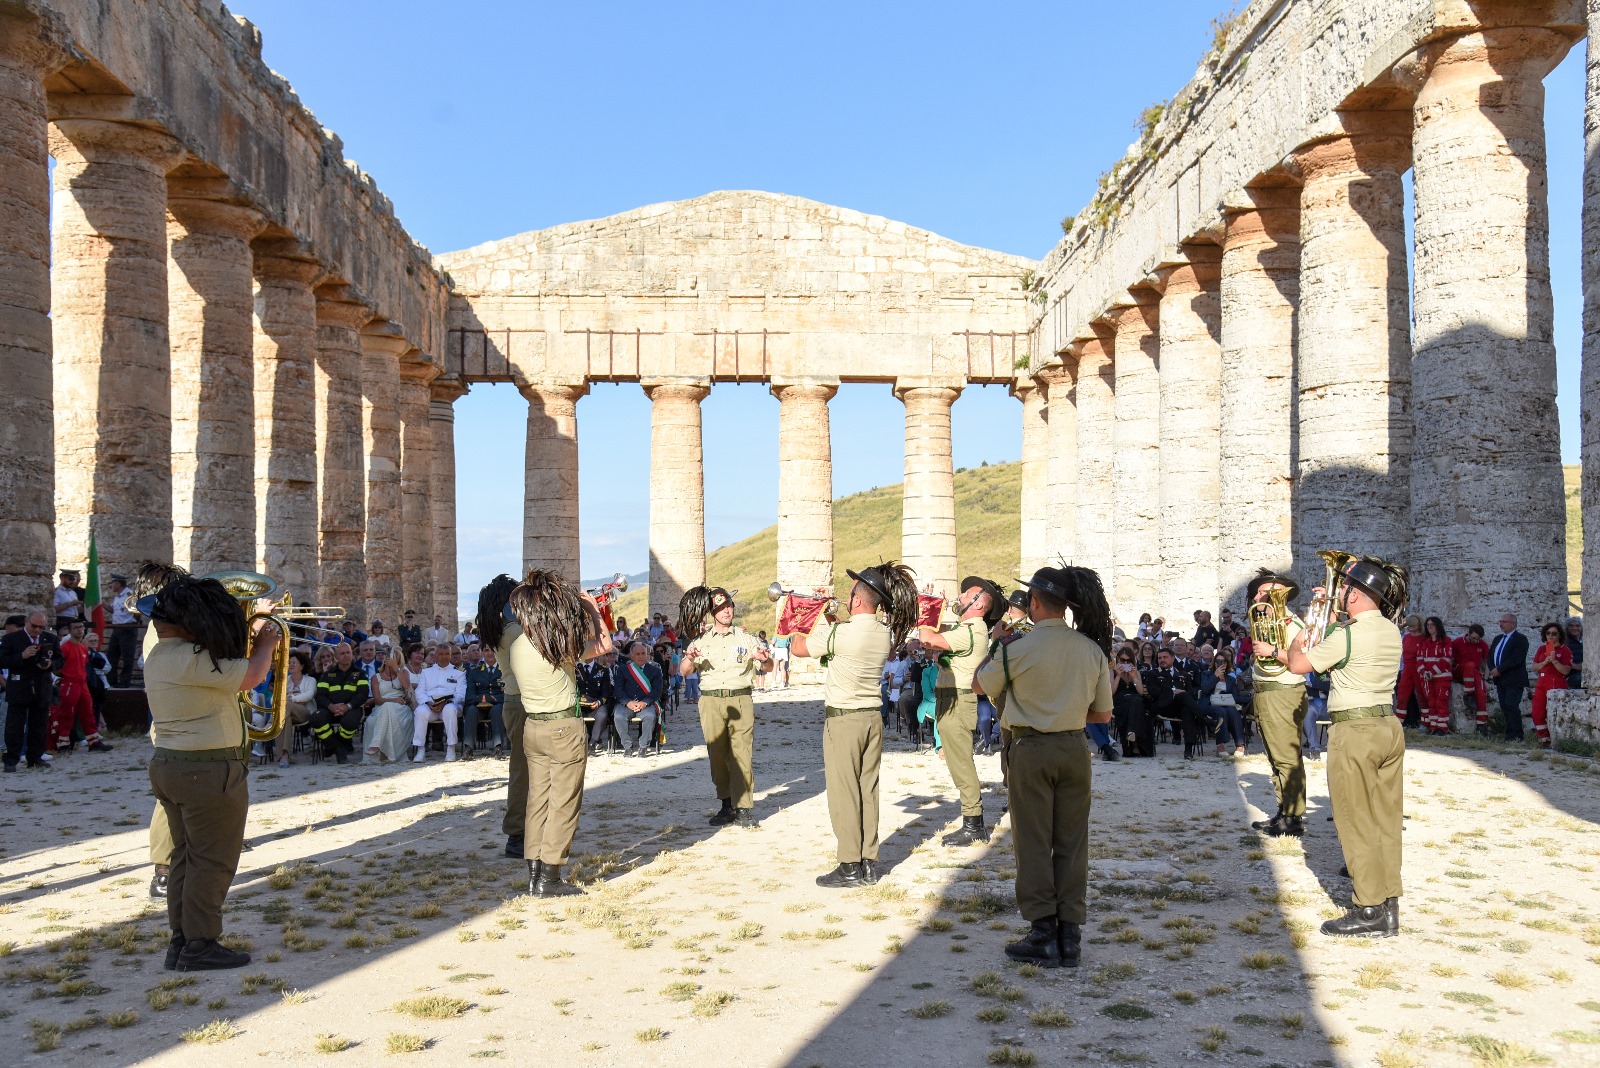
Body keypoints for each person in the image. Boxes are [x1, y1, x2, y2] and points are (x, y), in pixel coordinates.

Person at [974, 565, 1113, 969]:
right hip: (1073, 748)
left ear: (1034, 603)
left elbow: (979, 687)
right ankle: (1070, 934)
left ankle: (1042, 933)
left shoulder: (1016, 648)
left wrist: (995, 644)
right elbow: (1102, 716)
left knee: (1033, 840)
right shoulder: (1091, 650)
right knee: (1072, 842)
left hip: (1031, 748)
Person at [1264, 555, 1408, 938]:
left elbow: (1297, 664)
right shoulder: (1391, 630)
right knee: (1385, 819)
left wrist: (1312, 626)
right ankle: (1388, 903)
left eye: (1344, 589)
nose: (1339, 594)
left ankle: (1368, 908)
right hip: (1387, 725)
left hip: (1355, 728)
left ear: (1358, 595)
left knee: (1354, 818)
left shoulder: (1346, 634)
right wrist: (1330, 621)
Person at [144, 574, 280, 970]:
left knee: (185, 857)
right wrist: (266, 641)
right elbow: (253, 676)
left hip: (172, 764)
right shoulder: (190, 657)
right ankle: (201, 944)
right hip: (206, 768)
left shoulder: (161, 654)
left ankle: (182, 940)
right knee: (212, 860)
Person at [790, 562, 919, 888]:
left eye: (850, 595)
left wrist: (802, 615)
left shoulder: (840, 633)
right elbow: (847, 637)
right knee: (867, 790)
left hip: (844, 720)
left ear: (858, 600)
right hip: (872, 718)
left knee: (843, 792)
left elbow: (798, 647)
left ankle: (849, 864)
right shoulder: (881, 632)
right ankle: (869, 862)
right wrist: (830, 617)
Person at [506, 569, 612, 897]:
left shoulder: (518, 644)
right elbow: (605, 644)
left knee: (537, 801)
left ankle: (534, 873)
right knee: (564, 803)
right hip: (564, 726)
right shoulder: (556, 644)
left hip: (533, 726)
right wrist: (592, 608)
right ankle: (550, 877)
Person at [917, 576, 1006, 846]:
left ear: (978, 604)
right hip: (951, 699)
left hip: (957, 700)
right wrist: (929, 606)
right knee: (957, 761)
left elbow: (927, 639)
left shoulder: (971, 630)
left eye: (967, 594)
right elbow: (937, 635)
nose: (961, 595)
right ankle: (972, 819)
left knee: (960, 763)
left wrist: (927, 608)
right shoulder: (968, 628)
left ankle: (974, 823)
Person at [678, 587, 772, 828]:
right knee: (717, 754)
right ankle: (726, 803)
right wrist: (689, 658)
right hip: (710, 701)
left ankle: (743, 807)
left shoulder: (746, 639)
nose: (727, 611)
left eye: (729, 606)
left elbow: (768, 667)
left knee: (742, 753)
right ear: (712, 612)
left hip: (740, 698)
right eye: (721, 608)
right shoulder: (701, 641)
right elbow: (683, 672)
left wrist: (765, 659)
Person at [1246, 570, 1310, 838]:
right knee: (1275, 755)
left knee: (1285, 756)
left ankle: (1293, 817)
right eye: (1260, 592)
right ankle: (1284, 811)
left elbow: (1304, 659)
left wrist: (1271, 652)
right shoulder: (1267, 621)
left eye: (1269, 592)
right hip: (1267, 691)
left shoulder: (1292, 624)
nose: (1261, 597)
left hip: (1283, 692)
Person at [476, 576, 529, 858]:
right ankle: (517, 834)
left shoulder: (502, 629)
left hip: (515, 701)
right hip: (523, 702)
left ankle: (523, 830)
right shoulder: (513, 631)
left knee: (525, 769)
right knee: (523, 771)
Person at [1, 611, 58, 770]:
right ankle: (11, 759)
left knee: (39, 726)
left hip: (42, 688)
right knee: (15, 726)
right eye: (34, 626)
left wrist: (50, 665)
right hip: (20, 687)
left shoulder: (50, 638)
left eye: (41, 627)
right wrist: (21, 656)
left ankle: (35, 758)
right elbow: (2, 660)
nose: (37, 630)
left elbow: (60, 660)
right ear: (26, 622)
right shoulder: (11, 638)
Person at [51, 619, 112, 753]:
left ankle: (93, 741)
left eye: (81, 627)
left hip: (82, 684)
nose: (79, 630)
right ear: (70, 630)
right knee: (67, 713)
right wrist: (64, 678)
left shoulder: (83, 648)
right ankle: (63, 744)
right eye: (76, 627)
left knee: (88, 713)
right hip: (70, 684)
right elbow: (56, 667)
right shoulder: (65, 648)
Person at [411, 643, 465, 762]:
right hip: (431, 706)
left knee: (449, 709)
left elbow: (460, 694)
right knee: (420, 711)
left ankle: (451, 748)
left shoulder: (459, 673)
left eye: (447, 654)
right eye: (441, 654)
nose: (444, 657)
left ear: (450, 655)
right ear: (435, 656)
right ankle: (420, 749)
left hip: (451, 705)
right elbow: (420, 691)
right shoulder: (426, 672)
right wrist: (428, 702)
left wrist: (445, 703)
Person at [612, 640, 665, 757]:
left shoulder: (655, 671)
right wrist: (627, 702)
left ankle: (643, 746)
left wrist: (645, 702)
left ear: (647, 654)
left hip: (646, 704)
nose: (641, 656)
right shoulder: (623, 669)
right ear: (631, 655)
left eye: (643, 653)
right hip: (626, 704)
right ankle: (627, 746)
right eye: (637, 654)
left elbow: (657, 691)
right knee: (618, 716)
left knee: (650, 716)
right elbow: (618, 690)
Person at [363, 649, 415, 763]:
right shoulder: (376, 677)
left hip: (401, 707)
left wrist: (396, 668)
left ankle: (376, 745)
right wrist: (392, 700)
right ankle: (382, 750)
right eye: (390, 656)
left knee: (389, 707)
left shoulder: (403, 673)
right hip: (382, 706)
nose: (391, 659)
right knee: (385, 708)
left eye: (394, 657)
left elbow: (407, 686)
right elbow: (377, 700)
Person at [1530, 622, 1571, 748]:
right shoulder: (1542, 649)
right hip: (1542, 681)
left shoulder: (1565, 650)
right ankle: (1543, 739)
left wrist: (1554, 661)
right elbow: (1534, 667)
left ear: (1559, 635)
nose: (1551, 636)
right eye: (1548, 633)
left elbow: (1566, 670)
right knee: (1537, 712)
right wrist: (1544, 662)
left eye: (1554, 633)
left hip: (1557, 681)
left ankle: (1558, 741)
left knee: (1555, 713)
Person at [1489, 614, 1529, 742]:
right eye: (1500, 621)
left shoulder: (1521, 639)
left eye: (1504, 622)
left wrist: (1499, 669)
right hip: (1500, 679)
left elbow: (1516, 659)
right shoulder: (1498, 638)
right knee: (1504, 706)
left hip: (1514, 678)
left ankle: (1517, 735)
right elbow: (1490, 656)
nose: (1501, 624)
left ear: (1513, 624)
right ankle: (1509, 733)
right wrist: (1492, 669)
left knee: (1512, 705)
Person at [276, 650, 316, 767]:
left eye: (294, 662)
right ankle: (285, 755)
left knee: (285, 705)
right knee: (285, 720)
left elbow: (309, 695)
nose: (291, 665)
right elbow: (274, 698)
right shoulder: (285, 680)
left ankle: (270, 723)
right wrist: (298, 698)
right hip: (288, 713)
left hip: (304, 712)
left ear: (302, 666)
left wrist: (292, 698)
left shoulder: (310, 680)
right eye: (289, 663)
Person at [464, 646, 506, 754]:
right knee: (471, 710)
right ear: (482, 653)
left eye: (493, 650)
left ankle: (498, 747)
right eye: (486, 650)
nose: (490, 653)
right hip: (479, 706)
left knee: (497, 710)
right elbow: (469, 695)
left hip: (498, 704)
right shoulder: (474, 672)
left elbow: (508, 693)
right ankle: (468, 747)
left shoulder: (505, 670)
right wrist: (479, 699)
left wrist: (494, 699)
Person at [1416, 617, 1454, 736]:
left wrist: (1431, 672)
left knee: (1441, 702)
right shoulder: (1424, 642)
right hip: (1427, 678)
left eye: (1432, 624)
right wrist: (1424, 672)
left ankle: (1442, 728)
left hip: (1442, 677)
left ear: (1438, 626)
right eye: (1427, 625)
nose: (1430, 627)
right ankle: (1433, 727)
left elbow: (1446, 660)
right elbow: (1419, 659)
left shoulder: (1446, 641)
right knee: (1431, 702)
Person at [1110, 646, 1150, 757]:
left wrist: (1134, 678)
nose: (1125, 663)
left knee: (1136, 700)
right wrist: (1118, 675)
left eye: (1128, 660)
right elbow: (1111, 692)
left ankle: (1131, 734)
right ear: (1118, 659)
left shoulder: (1135, 672)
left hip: (1134, 702)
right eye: (1122, 660)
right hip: (1120, 702)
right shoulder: (1112, 672)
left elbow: (1141, 692)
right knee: (1135, 702)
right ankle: (1134, 742)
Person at [1203, 654, 1245, 757]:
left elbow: (1235, 697)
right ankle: (1220, 744)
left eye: (1223, 661)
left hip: (1226, 704)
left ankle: (1240, 744)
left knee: (1232, 711)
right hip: (1210, 704)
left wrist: (1249, 696)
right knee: (1221, 712)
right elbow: (1205, 690)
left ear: (1227, 663)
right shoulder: (1206, 674)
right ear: (1214, 662)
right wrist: (1215, 676)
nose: (1220, 663)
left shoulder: (1230, 679)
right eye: (1218, 661)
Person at [1452, 624, 1490, 735]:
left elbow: (1487, 662)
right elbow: (1451, 660)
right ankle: (1469, 695)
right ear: (1468, 633)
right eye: (1473, 638)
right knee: (1469, 665)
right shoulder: (1458, 642)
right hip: (1460, 670)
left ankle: (1482, 724)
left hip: (1474, 672)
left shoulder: (1482, 645)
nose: (1476, 641)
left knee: (1481, 692)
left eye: (1478, 639)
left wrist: (1486, 678)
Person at [105, 574, 141, 687]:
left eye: (113, 583)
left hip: (127, 628)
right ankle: (112, 680)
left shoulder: (129, 595)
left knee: (127, 656)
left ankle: (125, 681)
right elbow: (114, 611)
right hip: (117, 627)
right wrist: (102, 605)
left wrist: (134, 622)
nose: (111, 585)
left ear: (118, 584)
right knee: (112, 655)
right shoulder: (118, 597)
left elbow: (137, 612)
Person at [1396, 614, 1425, 728]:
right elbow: (1401, 655)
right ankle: (1399, 722)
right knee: (1402, 695)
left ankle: (1425, 722)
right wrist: (1401, 669)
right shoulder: (1406, 637)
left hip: (1419, 668)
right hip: (1407, 669)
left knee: (1422, 695)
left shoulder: (1423, 638)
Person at [1566, 617, 1584, 690]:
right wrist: (1576, 666)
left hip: (1583, 673)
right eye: (1571, 626)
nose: (1574, 628)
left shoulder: (1585, 641)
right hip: (1572, 676)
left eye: (1577, 625)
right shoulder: (1565, 643)